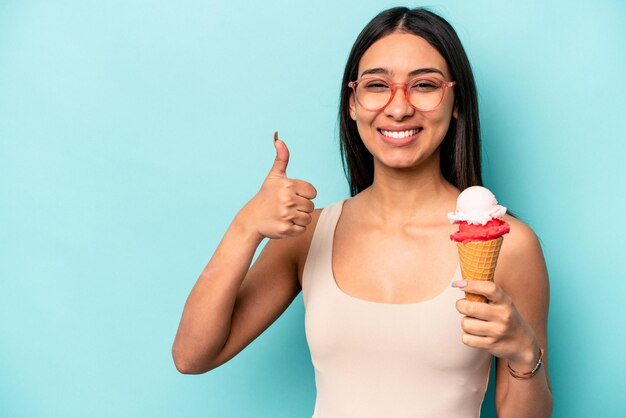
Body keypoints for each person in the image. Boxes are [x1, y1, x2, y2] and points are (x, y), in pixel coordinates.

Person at [172, 6, 553, 417]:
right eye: (377, 85)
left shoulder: (508, 243)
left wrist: (523, 352)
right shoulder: (309, 234)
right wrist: (246, 226)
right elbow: (192, 357)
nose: (399, 107)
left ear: (456, 102)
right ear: (352, 103)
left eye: (424, 84)